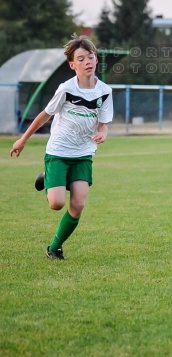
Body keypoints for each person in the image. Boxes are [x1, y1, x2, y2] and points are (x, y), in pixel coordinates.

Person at [10, 34, 113, 260]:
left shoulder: (105, 91)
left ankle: (55, 247)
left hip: (84, 153)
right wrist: (23, 139)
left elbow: (103, 124)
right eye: (81, 58)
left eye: (91, 56)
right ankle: (48, 176)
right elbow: (45, 115)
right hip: (59, 151)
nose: (88, 61)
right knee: (56, 204)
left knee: (78, 205)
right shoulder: (67, 88)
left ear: (96, 60)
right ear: (72, 64)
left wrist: (102, 134)